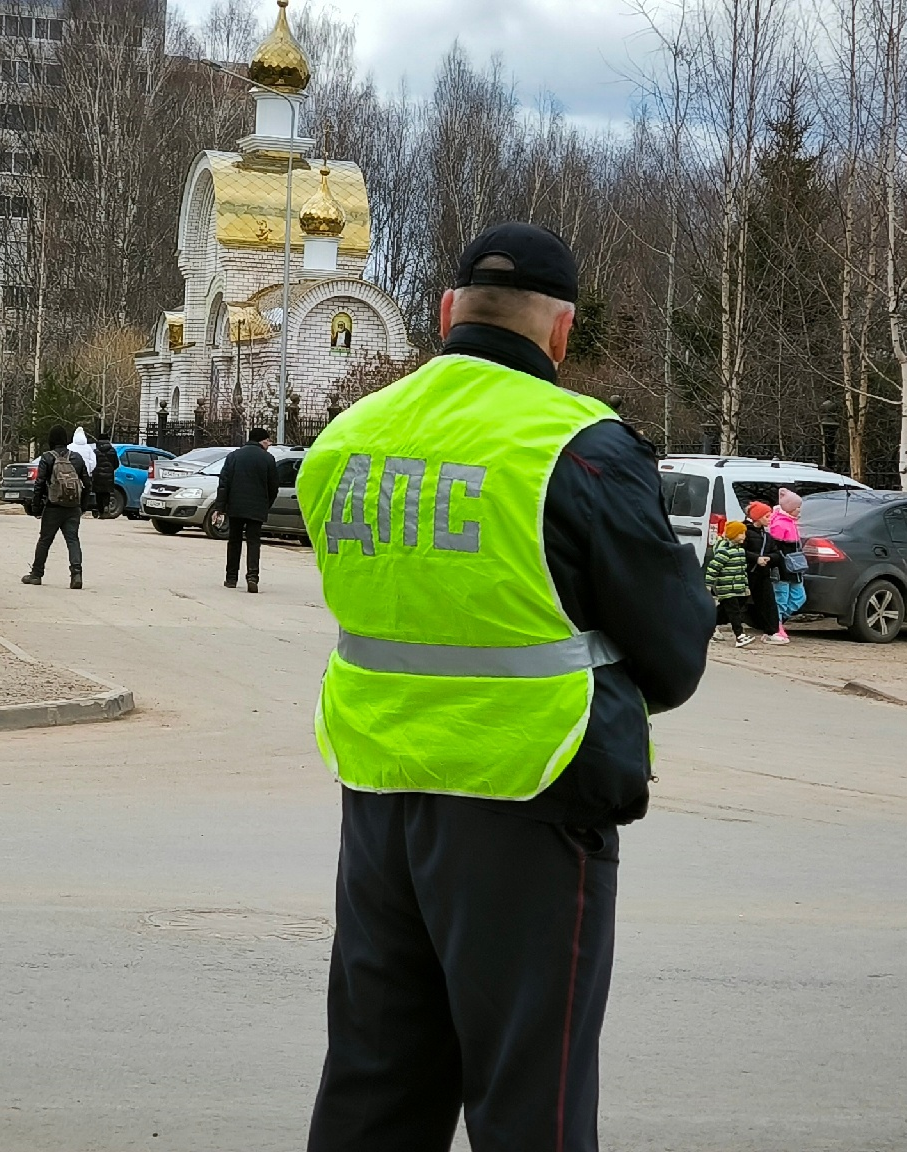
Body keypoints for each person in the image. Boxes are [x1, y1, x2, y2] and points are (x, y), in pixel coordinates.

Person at [298, 223, 713, 1152]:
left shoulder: (345, 440)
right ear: (561, 332)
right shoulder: (577, 445)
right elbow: (675, 650)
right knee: (532, 1099)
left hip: (379, 793)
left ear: (448, 312)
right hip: (531, 790)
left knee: (375, 1084)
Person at [24, 425, 86, 589]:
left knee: (45, 540)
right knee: (73, 540)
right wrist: (83, 506)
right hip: (73, 506)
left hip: (53, 506)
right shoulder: (77, 458)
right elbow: (87, 483)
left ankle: (36, 574)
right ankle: (76, 574)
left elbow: (39, 484)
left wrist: (36, 507)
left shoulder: (47, 458)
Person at [219, 427, 277, 592]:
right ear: (262, 441)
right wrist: (266, 504)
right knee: (254, 542)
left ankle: (231, 578)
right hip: (257, 507)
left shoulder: (234, 456)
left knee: (234, 541)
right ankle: (252, 577)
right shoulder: (268, 459)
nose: (269, 444)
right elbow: (274, 486)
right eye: (268, 441)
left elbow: (224, 483)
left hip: (235, 506)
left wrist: (221, 507)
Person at [704, 518, 754, 647]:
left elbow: (743, 570)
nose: (744, 536)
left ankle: (707, 624)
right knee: (734, 612)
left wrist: (746, 586)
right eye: (741, 533)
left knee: (727, 611)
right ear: (733, 535)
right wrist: (708, 585)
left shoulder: (740, 551)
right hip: (726, 588)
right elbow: (713, 568)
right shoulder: (724, 551)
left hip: (738, 588)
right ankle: (740, 636)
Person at [743, 500, 785, 644]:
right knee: (736, 602)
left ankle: (771, 632)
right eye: (767, 516)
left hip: (762, 573)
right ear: (757, 517)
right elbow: (739, 551)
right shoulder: (744, 531)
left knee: (768, 603)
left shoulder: (766, 535)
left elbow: (776, 553)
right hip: (746, 572)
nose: (770, 519)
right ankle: (713, 623)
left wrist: (770, 558)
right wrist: (756, 558)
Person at [768, 487, 807, 640]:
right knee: (781, 599)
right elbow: (775, 548)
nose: (799, 510)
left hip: (795, 568)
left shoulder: (791, 522)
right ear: (789, 508)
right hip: (783, 568)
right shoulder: (779, 524)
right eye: (797, 507)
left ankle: (777, 620)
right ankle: (776, 626)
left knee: (799, 597)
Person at [93, 432, 121, 515]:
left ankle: (100, 510)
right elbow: (116, 464)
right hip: (109, 476)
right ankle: (106, 506)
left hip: (97, 476)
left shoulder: (95, 451)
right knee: (107, 492)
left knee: (98, 493)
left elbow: (93, 463)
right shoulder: (112, 451)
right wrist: (110, 470)